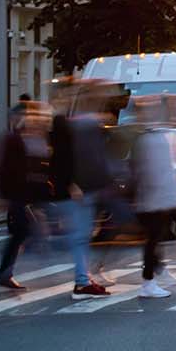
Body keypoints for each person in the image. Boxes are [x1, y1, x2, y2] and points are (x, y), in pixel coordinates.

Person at [51, 84, 116, 300]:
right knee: (80, 236)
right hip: (78, 189)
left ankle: (84, 277)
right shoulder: (62, 123)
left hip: (85, 187)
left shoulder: (72, 122)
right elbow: (61, 158)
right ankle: (82, 281)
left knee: (83, 235)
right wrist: (72, 184)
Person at [129, 96, 176, 298]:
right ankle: (148, 282)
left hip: (158, 197)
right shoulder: (147, 138)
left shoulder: (155, 135)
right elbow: (145, 170)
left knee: (157, 237)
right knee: (153, 239)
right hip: (152, 199)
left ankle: (157, 272)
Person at [0, 101, 54, 291]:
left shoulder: (33, 138)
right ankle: (5, 273)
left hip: (28, 194)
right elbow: (4, 169)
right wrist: (1, 195)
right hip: (17, 194)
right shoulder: (13, 139)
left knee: (20, 231)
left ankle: (6, 273)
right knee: (20, 231)